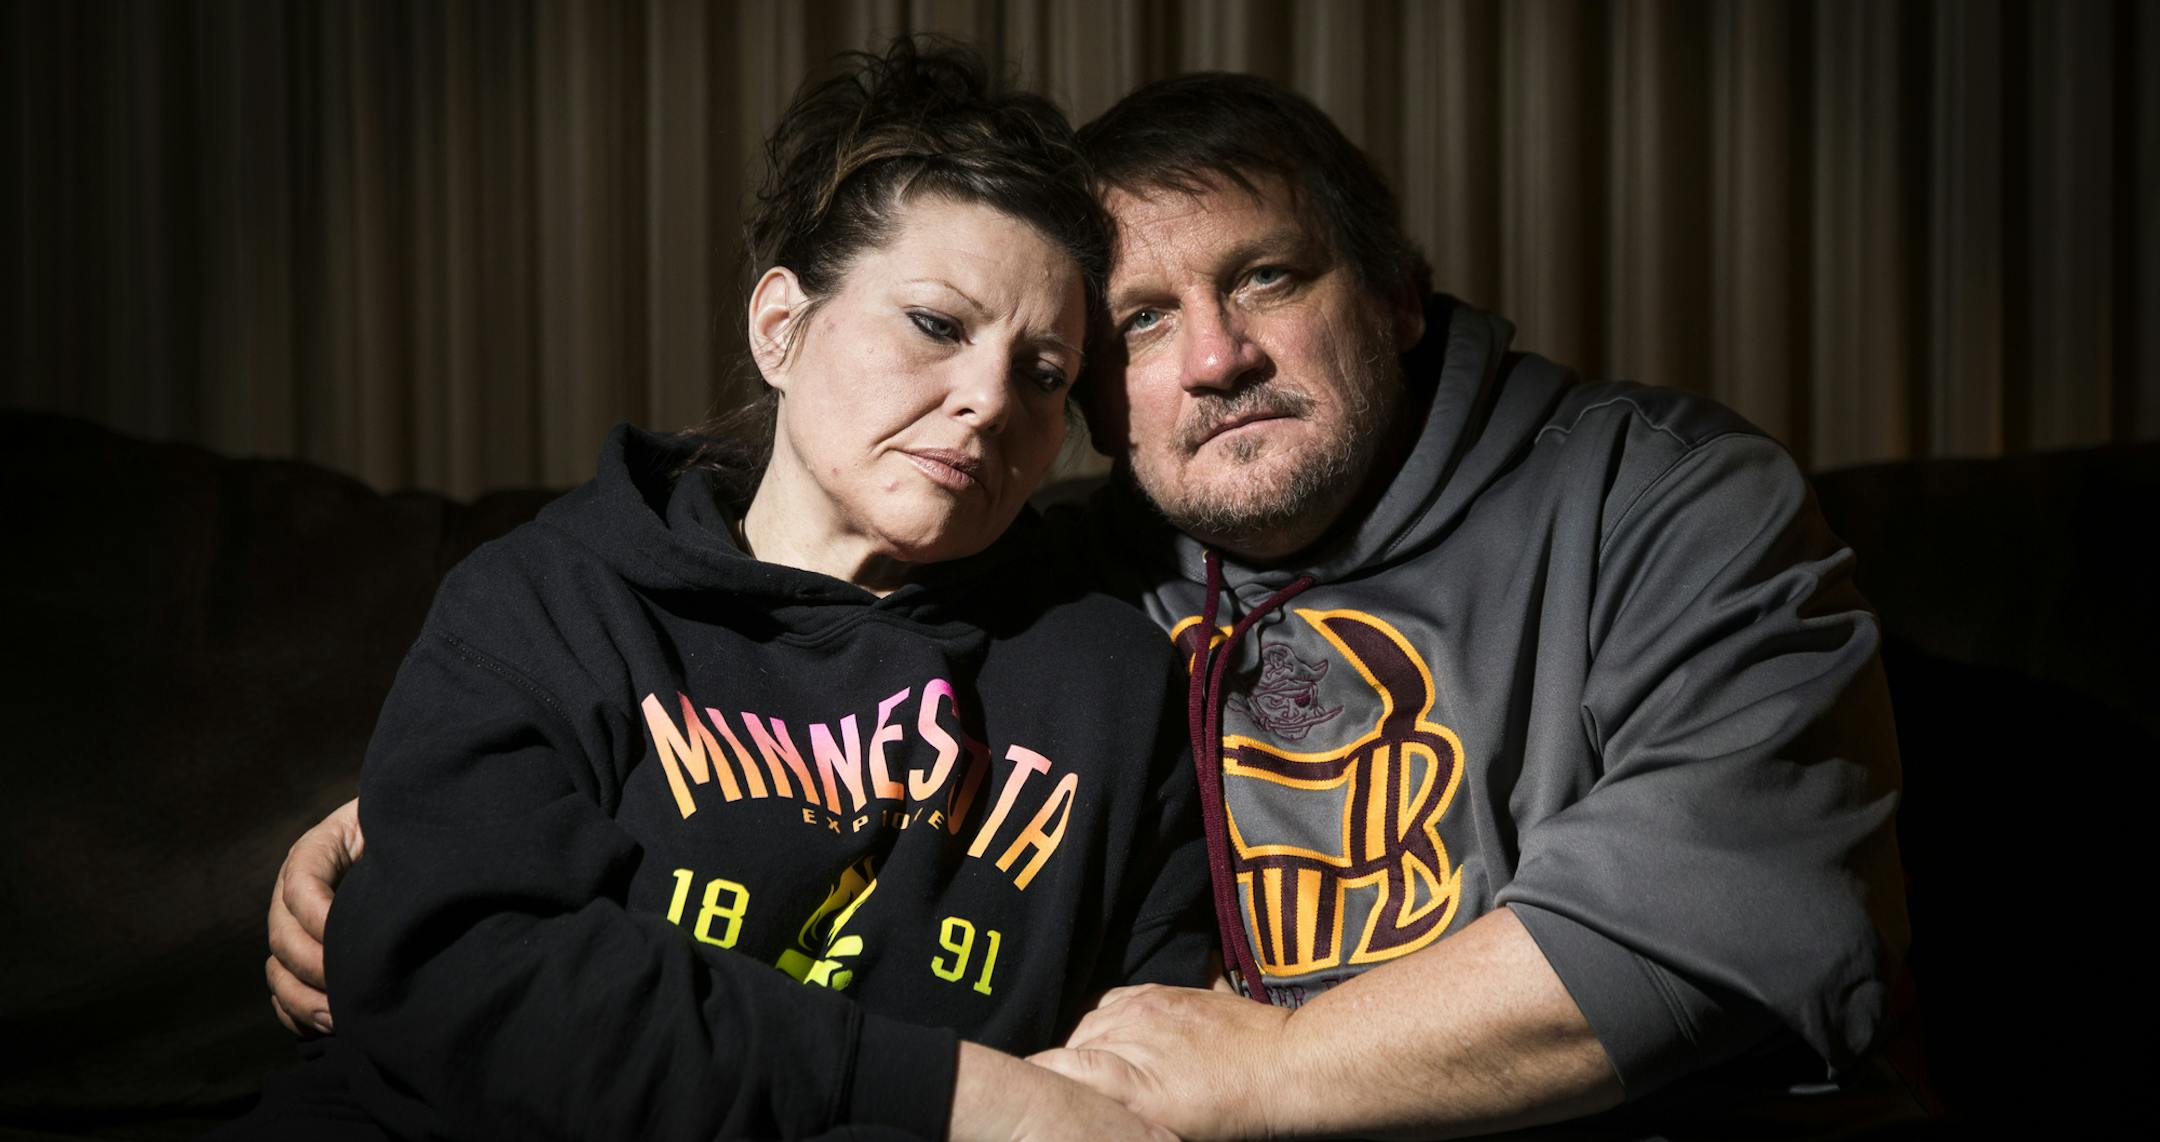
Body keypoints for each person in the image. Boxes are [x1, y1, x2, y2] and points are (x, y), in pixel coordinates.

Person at [270, 70, 1916, 1139]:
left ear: (1403, 293)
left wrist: (1253, 1074)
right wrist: (433, 817)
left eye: (1266, 275)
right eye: (1133, 327)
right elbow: (765, 658)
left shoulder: (1675, 500)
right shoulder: (1075, 564)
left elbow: (1740, 916)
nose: (1211, 357)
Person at [234, 40, 1213, 1142]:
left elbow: (1139, 1079)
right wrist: (957, 1091)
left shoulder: (1114, 685)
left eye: (1044, 374)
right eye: (937, 324)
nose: (988, 401)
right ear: (781, 326)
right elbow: (467, 980)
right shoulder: (553, 599)